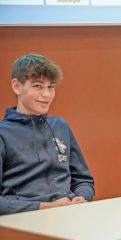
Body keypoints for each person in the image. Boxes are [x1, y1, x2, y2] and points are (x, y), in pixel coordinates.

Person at [0, 54, 95, 215]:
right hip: (23, 220)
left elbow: (84, 180)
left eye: (51, 86)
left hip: (68, 214)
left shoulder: (61, 126)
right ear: (17, 86)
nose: (47, 95)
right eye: (38, 86)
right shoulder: (3, 133)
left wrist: (81, 197)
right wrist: (45, 207)